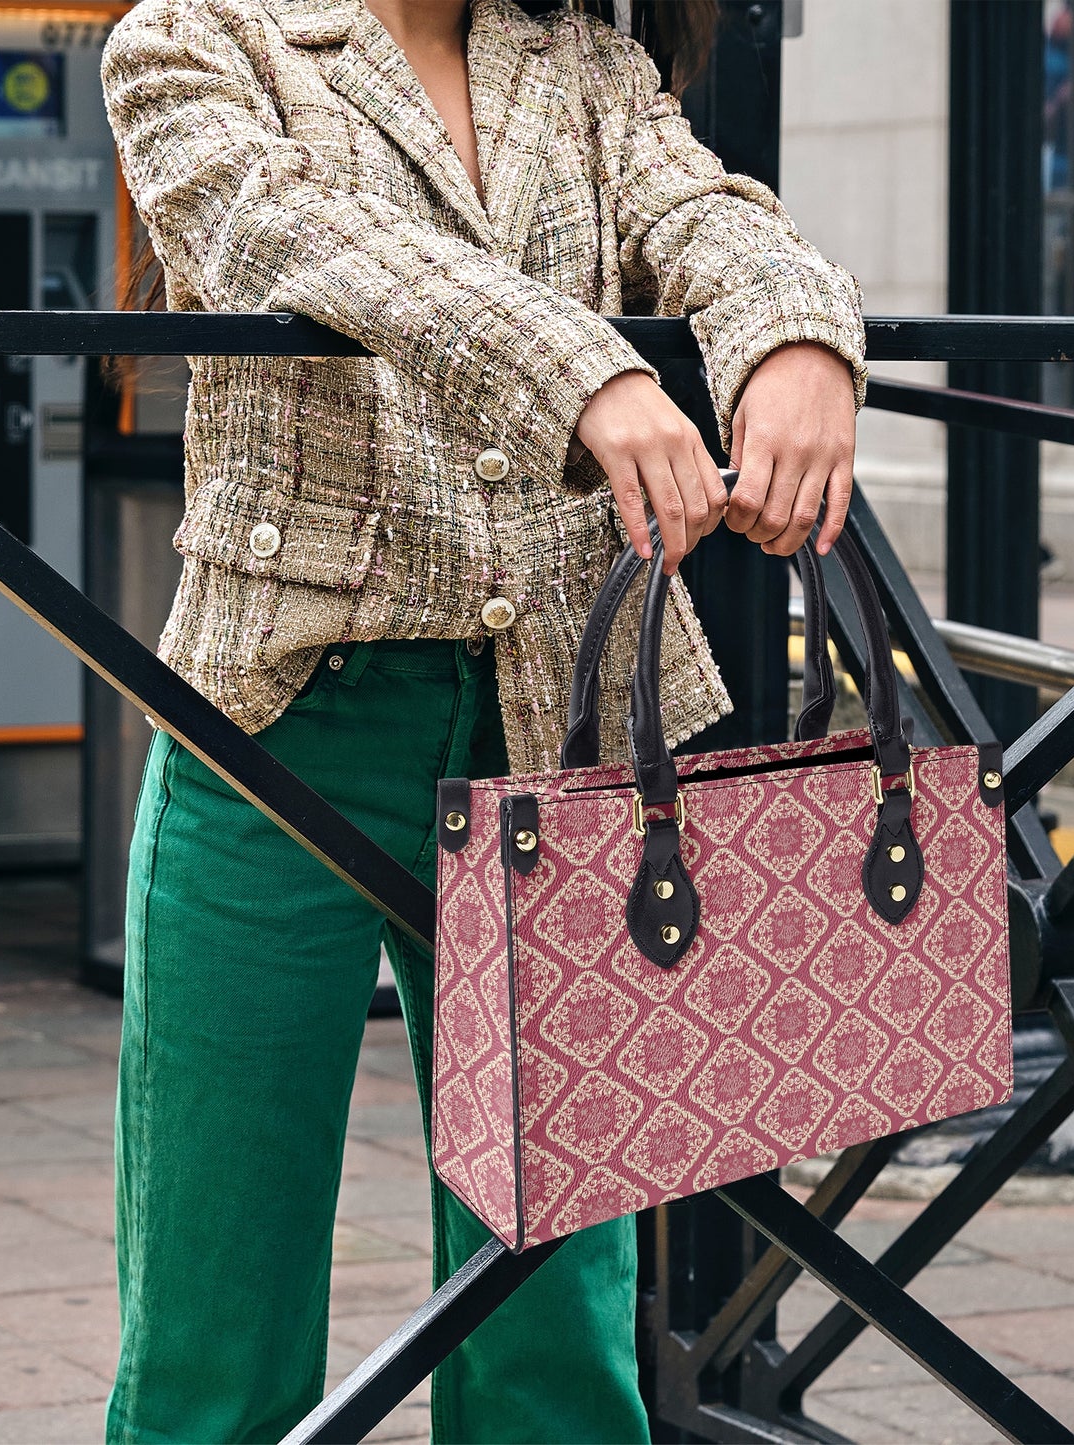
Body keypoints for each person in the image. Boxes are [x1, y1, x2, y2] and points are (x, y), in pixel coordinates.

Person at [98, 0, 866, 1439]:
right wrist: (592, 372)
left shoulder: (578, 60)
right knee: (218, 1302)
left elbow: (707, 215)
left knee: (554, 1322)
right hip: (282, 726)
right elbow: (300, 236)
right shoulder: (193, 38)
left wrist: (795, 340)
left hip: (556, 729)